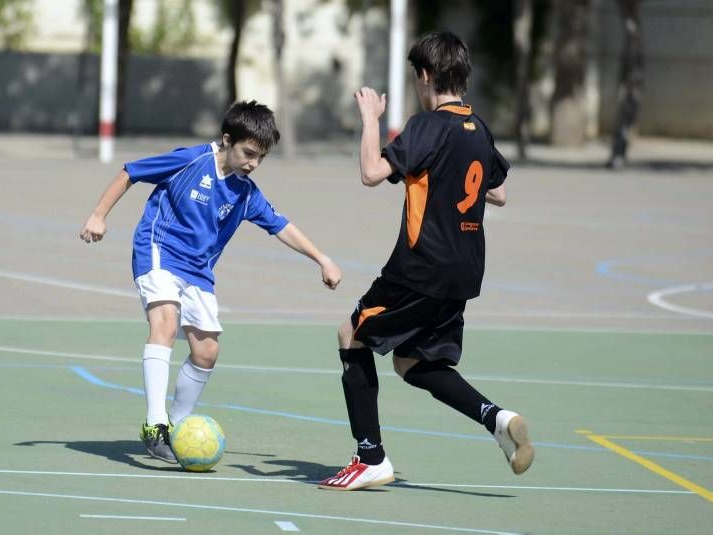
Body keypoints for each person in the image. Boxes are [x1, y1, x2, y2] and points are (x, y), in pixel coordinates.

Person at [318, 31, 533, 491]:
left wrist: (370, 119)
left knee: (350, 335)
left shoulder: (427, 125)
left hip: (421, 266)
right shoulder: (478, 128)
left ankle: (370, 457)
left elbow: (372, 172)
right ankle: (496, 418)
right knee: (413, 363)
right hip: (464, 270)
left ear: (426, 76)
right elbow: (499, 192)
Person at [79, 101, 342, 463]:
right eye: (248, 153)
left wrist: (322, 258)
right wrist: (98, 215)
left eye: (261, 158)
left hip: (198, 270)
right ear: (227, 140)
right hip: (158, 250)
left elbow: (282, 226)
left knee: (206, 351)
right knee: (166, 323)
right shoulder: (191, 160)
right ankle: (155, 425)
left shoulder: (246, 193)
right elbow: (130, 171)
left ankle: (178, 425)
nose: (253, 163)